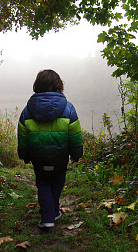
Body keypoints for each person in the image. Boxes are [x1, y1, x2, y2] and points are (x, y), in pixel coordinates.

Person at [17, 69, 83, 229]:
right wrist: (76, 154)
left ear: (37, 86)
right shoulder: (69, 108)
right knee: (57, 183)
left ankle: (49, 215)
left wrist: (24, 155)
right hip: (60, 157)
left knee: (43, 184)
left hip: (38, 157)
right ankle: (50, 214)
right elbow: (75, 135)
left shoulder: (27, 111)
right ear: (59, 86)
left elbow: (23, 137)